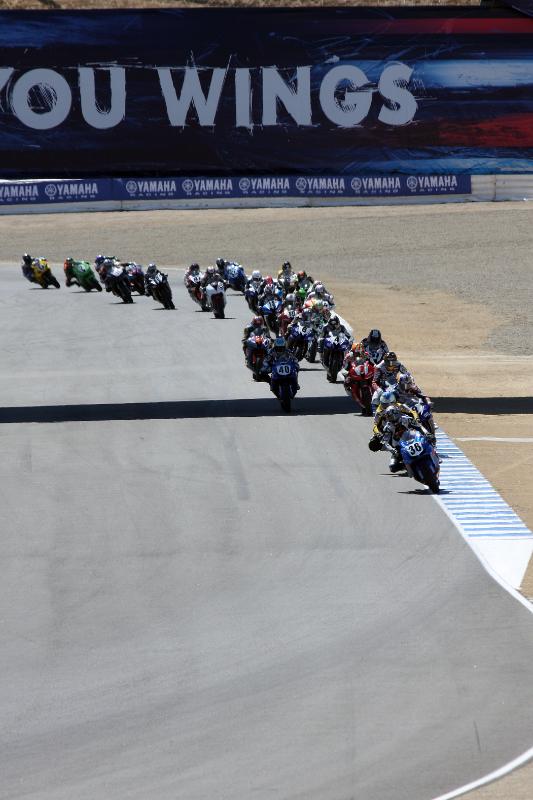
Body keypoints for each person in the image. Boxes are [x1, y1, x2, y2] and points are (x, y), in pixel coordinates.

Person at [369, 403, 430, 472]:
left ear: (397, 413)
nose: (392, 418)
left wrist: (427, 433)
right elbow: (385, 442)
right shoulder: (388, 427)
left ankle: (434, 455)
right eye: (390, 417)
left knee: (428, 441)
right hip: (400, 448)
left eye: (393, 415)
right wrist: (393, 451)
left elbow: (419, 426)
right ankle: (407, 465)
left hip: (413, 440)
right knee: (393, 467)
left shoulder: (406, 419)